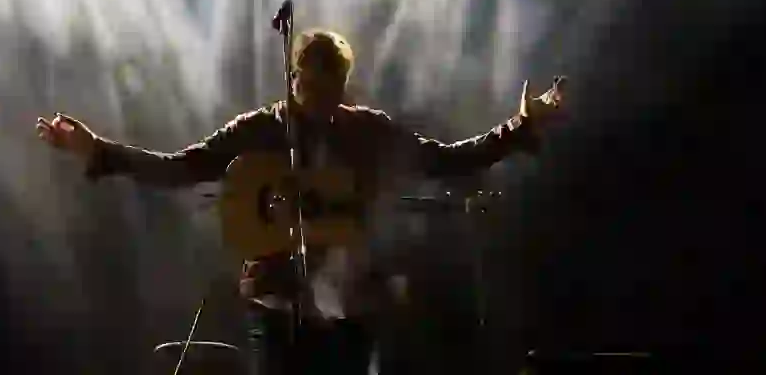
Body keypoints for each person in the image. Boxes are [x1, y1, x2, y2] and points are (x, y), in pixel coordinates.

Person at [36, 29, 566, 375]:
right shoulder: (261, 129)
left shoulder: (367, 130)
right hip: (277, 299)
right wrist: (99, 150)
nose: (319, 99)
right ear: (292, 79)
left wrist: (520, 127)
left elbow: (446, 159)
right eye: (309, 86)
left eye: (331, 87)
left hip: (351, 304)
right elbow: (183, 167)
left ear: (343, 85)